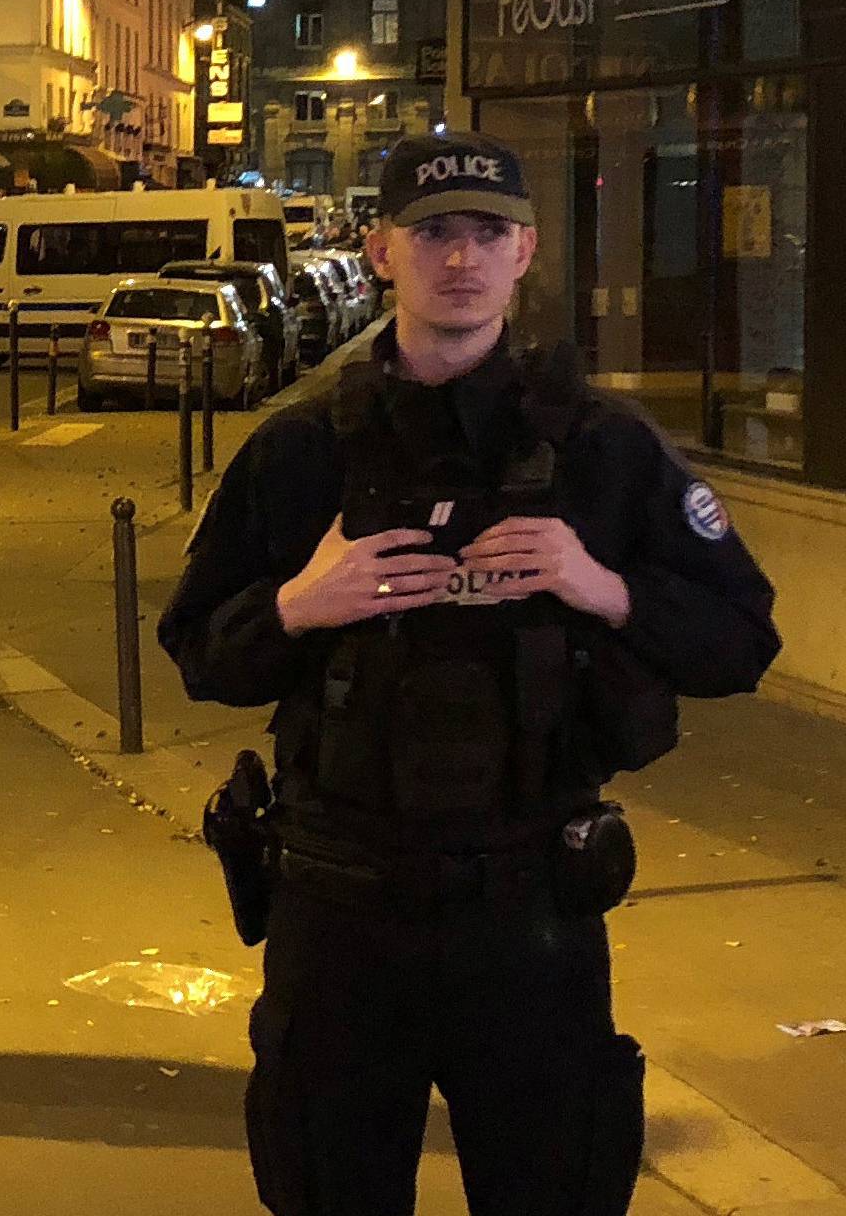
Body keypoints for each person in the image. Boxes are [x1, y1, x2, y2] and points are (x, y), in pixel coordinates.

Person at [158, 131, 779, 1216]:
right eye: (432, 230)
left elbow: (742, 637)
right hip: (339, 910)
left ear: (526, 249)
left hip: (529, 913)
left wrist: (603, 583)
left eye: (486, 231)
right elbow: (197, 649)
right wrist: (302, 604)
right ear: (381, 249)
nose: (460, 256)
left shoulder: (601, 450)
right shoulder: (303, 450)